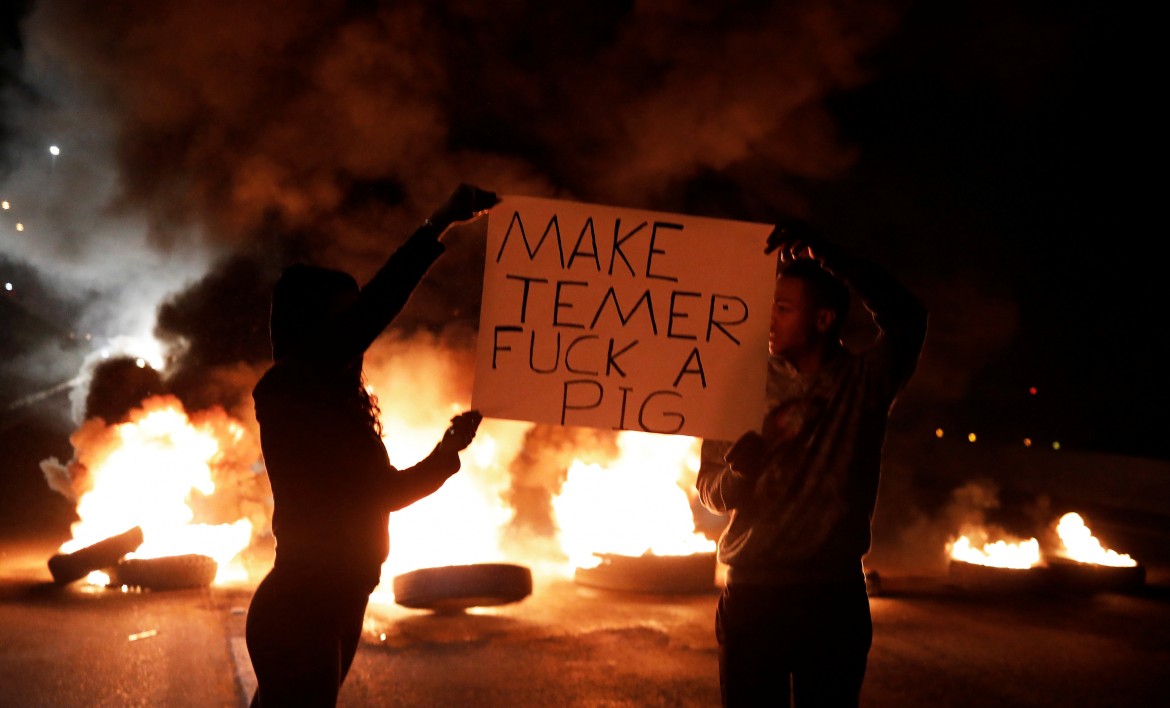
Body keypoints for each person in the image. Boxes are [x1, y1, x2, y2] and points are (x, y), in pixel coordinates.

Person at [245, 184, 499, 707]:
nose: (358, 333)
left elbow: (382, 491)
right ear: (311, 324)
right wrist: (438, 225)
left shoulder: (338, 402)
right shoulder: (288, 389)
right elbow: (380, 305)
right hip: (302, 602)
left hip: (343, 595)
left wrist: (447, 451)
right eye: (344, 318)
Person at [696, 220, 928, 707]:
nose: (771, 318)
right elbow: (711, 493)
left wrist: (830, 255)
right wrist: (740, 473)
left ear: (823, 320)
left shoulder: (864, 383)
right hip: (753, 599)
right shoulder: (739, 384)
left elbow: (908, 317)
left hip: (832, 600)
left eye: (783, 307)